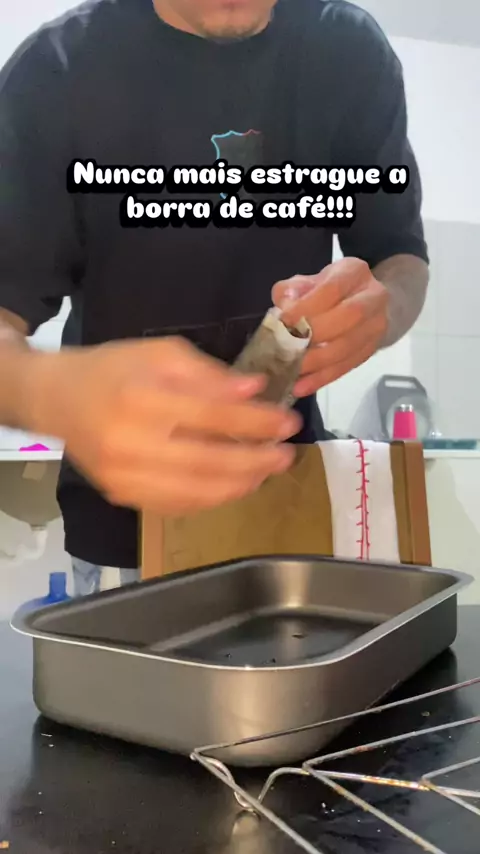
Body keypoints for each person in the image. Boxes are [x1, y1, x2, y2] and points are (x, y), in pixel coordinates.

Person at [0, 0, 429, 596]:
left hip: (289, 505)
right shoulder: (56, 69)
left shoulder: (347, 50)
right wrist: (46, 391)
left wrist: (380, 312)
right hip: (124, 535)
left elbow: (401, 259)